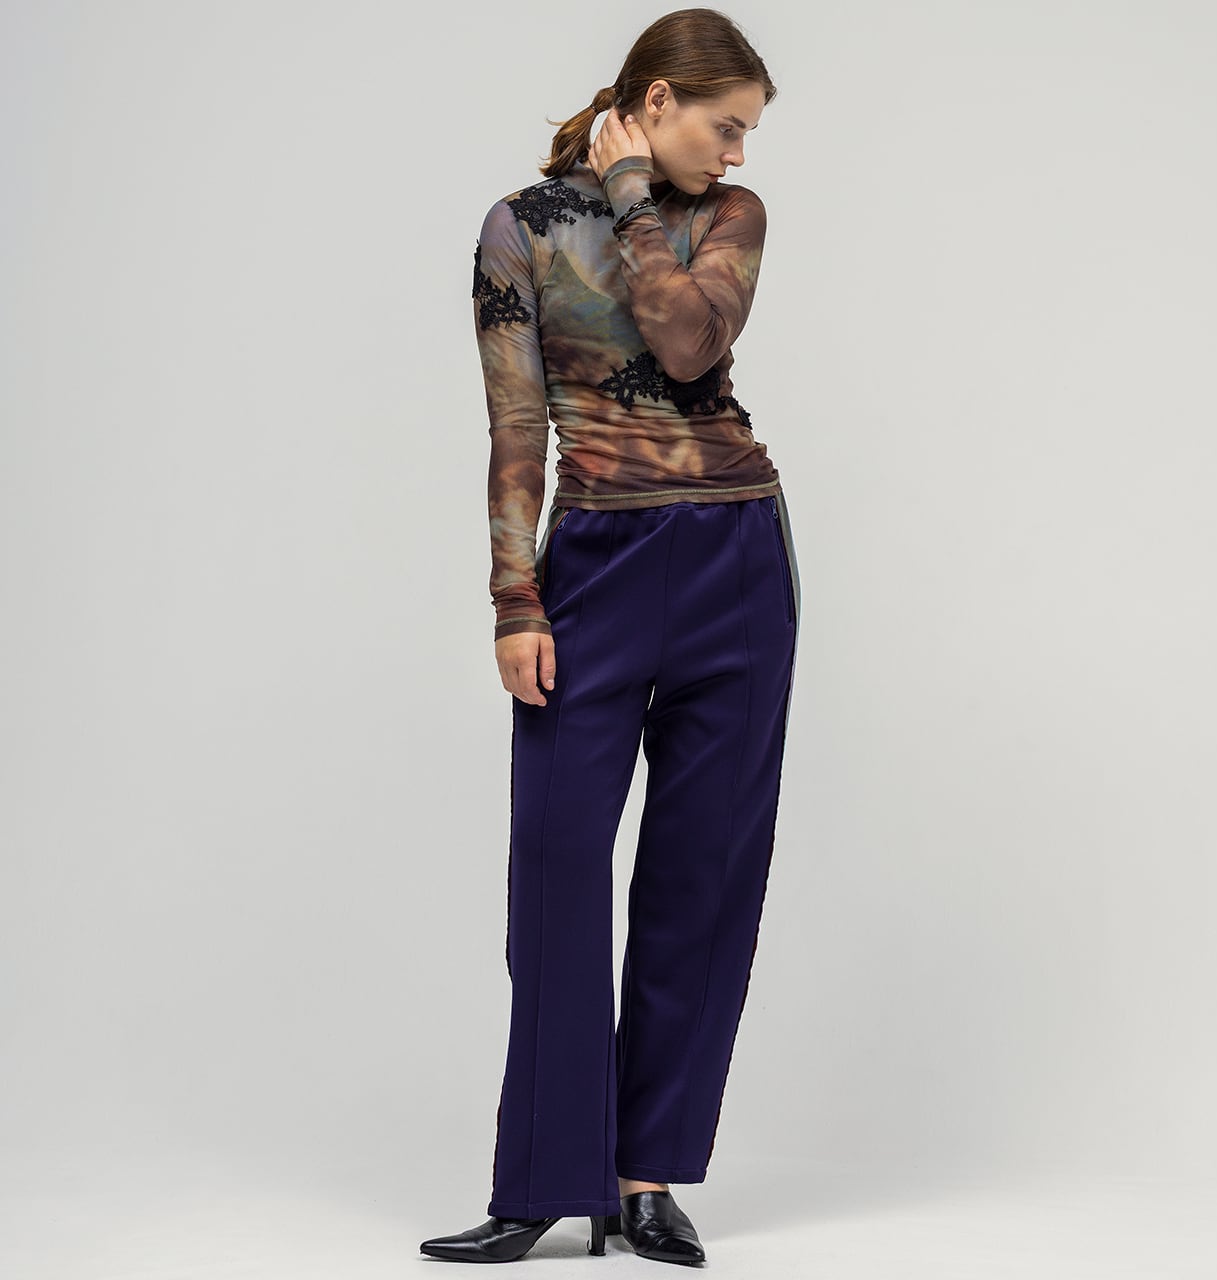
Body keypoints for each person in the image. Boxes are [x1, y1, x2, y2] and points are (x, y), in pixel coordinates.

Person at [420, 7, 801, 1267]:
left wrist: (639, 194)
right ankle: (542, 1177)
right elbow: (514, 426)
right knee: (555, 865)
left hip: (736, 559)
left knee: (702, 872)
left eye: (746, 133)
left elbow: (687, 339)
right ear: (653, 99)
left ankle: (644, 1179)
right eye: (724, 124)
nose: (737, 153)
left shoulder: (727, 218)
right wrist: (513, 598)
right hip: (594, 562)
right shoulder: (519, 228)